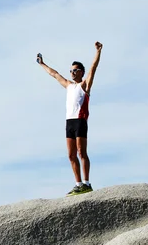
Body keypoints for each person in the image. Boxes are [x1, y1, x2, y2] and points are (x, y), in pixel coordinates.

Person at [37, 41, 103, 196]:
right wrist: (42, 63)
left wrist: (98, 52)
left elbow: (93, 68)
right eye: (71, 71)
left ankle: (87, 183)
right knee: (71, 155)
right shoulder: (68, 85)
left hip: (80, 121)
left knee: (81, 152)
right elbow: (54, 74)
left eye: (75, 70)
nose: (72, 73)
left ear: (81, 72)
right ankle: (78, 184)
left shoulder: (84, 85)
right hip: (69, 122)